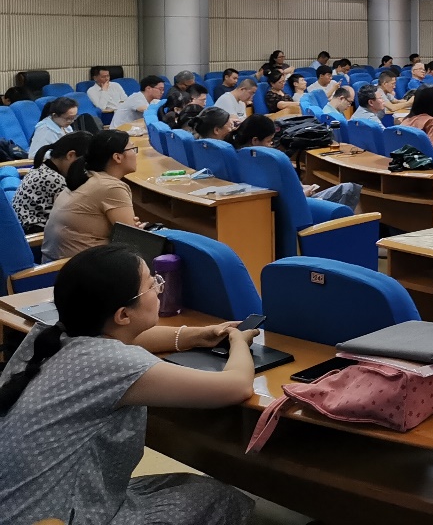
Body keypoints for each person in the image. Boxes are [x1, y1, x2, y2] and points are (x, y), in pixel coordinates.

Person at [0, 244, 258, 525]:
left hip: (20, 504)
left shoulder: (49, 336)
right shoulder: (112, 362)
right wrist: (238, 341)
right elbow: (237, 386)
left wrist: (195, 335)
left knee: (189, 485)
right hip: (55, 517)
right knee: (221, 499)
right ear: (123, 314)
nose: (159, 288)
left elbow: (126, 339)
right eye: (152, 284)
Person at [42, 130, 142, 262]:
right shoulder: (111, 187)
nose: (136, 154)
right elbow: (132, 241)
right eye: (133, 149)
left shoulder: (87, 176)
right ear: (117, 157)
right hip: (79, 267)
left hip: (63, 262)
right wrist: (137, 230)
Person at [232, 117, 360, 209]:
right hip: (296, 209)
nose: (271, 145)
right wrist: (303, 193)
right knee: (349, 188)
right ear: (255, 140)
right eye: (269, 141)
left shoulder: (237, 156)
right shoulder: (269, 162)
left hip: (284, 207)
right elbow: (282, 200)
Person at [11, 131, 93, 233]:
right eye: (85, 163)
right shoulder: (54, 180)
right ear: (71, 155)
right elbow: (75, 216)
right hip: (36, 234)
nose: (85, 169)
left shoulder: (43, 168)